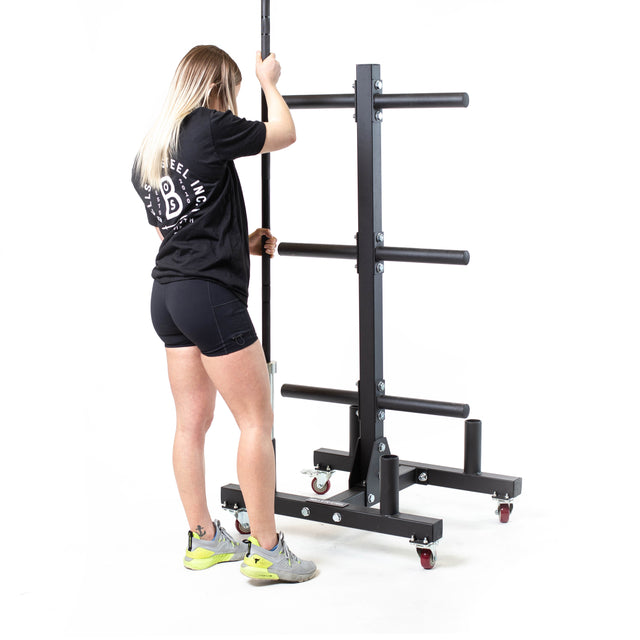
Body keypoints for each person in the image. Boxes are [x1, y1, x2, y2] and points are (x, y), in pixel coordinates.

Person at [131, 44, 317, 583]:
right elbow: (283, 134)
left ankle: (205, 540)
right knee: (256, 421)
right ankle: (267, 550)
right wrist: (269, 82)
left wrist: (241, 241)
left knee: (191, 424)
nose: (233, 101)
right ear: (216, 85)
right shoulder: (209, 125)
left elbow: (178, 230)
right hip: (210, 297)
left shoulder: (152, 148)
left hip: (168, 297)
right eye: (231, 89)